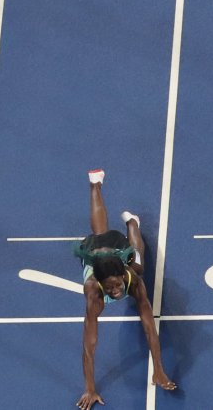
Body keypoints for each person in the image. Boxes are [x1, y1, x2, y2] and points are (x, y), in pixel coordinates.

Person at [74, 169, 176, 410]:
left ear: (122, 276)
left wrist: (158, 370)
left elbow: (149, 327)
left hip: (120, 249)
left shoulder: (131, 279)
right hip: (95, 252)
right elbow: (89, 348)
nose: (116, 291)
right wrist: (90, 388)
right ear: (99, 284)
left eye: (118, 285)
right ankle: (95, 185)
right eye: (110, 288)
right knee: (99, 235)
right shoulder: (94, 295)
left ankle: (132, 222)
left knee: (139, 264)